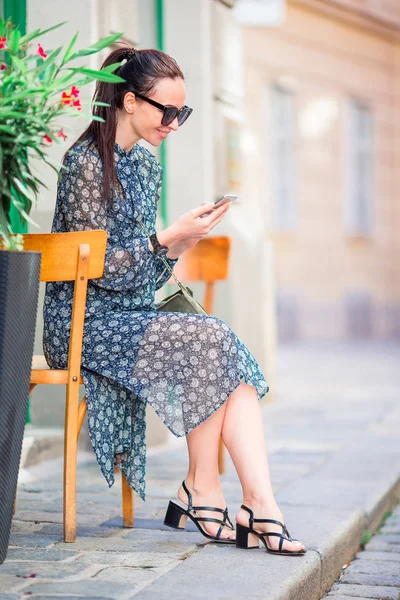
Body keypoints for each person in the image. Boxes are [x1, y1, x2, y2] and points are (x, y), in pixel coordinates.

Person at [43, 46, 306, 556]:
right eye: (168, 111)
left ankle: (254, 500)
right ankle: (207, 491)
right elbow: (90, 269)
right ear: (129, 101)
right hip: (82, 322)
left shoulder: (144, 164)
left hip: (132, 314)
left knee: (219, 346)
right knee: (211, 339)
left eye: (182, 112)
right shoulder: (84, 165)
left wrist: (181, 243)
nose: (175, 122)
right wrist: (164, 240)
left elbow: (143, 273)